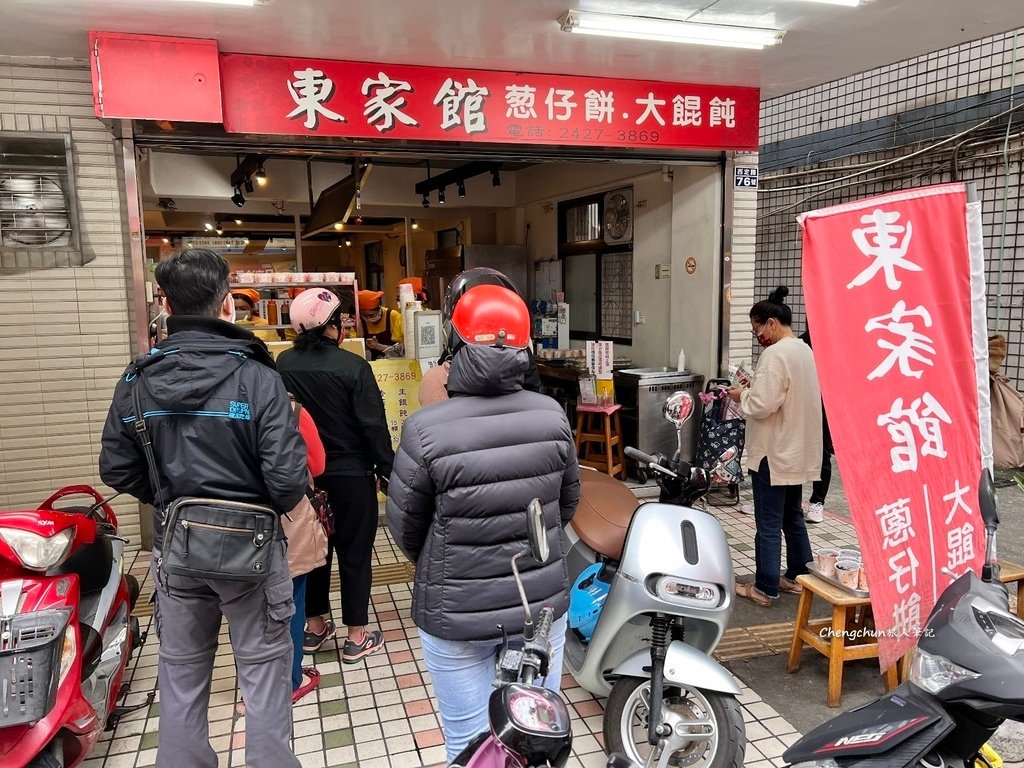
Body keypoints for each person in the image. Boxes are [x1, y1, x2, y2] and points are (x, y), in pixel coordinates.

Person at [99, 249, 307, 768]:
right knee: (263, 672)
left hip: (177, 548)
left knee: (181, 671)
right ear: (227, 305)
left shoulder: (138, 379)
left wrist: (173, 502)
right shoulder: (259, 378)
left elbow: (115, 468)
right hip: (255, 554)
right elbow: (288, 481)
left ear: (167, 303)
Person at [386, 283, 581, 763]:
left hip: (455, 610)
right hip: (538, 607)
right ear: (524, 348)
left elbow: (405, 526)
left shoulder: (425, 428)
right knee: (533, 740)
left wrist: (447, 559)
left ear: (457, 344)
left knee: (468, 746)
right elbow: (567, 505)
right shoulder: (552, 416)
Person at [277, 288, 394, 663]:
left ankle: (314, 627)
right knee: (354, 553)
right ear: (329, 325)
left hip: (304, 478)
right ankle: (356, 636)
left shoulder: (282, 365)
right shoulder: (353, 366)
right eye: (340, 319)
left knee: (313, 552)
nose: (344, 325)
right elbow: (373, 426)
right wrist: (387, 469)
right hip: (352, 475)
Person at [728, 286, 822, 608]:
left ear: (770, 323)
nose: (758, 336)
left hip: (772, 451)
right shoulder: (804, 350)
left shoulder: (774, 354)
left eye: (757, 329)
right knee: (792, 516)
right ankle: (798, 576)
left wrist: (742, 395)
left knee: (768, 522)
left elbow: (763, 404)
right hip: (795, 450)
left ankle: (765, 587)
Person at [289, 400, 326, 703]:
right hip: (284, 516)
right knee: (290, 596)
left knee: (242, 609)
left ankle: (252, 687)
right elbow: (317, 465)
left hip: (214, 524)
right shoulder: (292, 411)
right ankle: (290, 680)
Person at [800, 328, 833, 524]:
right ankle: (785, 500)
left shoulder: (836, 340)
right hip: (803, 401)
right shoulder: (802, 342)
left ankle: (817, 502)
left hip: (827, 404)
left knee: (823, 454)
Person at [359, 289, 404, 360]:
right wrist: (369, 344)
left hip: (395, 361)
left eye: (371, 315)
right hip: (375, 362)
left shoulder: (392, 315)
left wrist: (377, 346)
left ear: (379, 308)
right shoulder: (360, 320)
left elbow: (402, 346)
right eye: (364, 315)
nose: (367, 318)